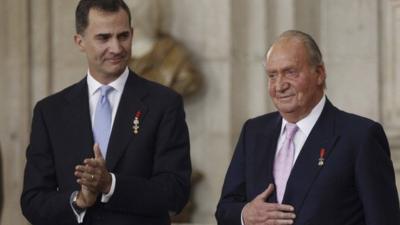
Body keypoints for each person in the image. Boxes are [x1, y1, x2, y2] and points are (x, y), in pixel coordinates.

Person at [20, 0, 191, 224]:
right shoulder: (50, 112)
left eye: (123, 36)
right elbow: (33, 201)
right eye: (103, 38)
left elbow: (175, 192)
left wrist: (110, 184)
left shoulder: (165, 104)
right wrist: (79, 201)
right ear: (79, 41)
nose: (117, 48)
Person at [215, 30, 400, 225]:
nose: (279, 85)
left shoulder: (360, 136)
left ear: (319, 73)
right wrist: (246, 214)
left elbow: (384, 219)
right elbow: (225, 210)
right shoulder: (254, 132)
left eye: (290, 72)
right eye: (272, 75)